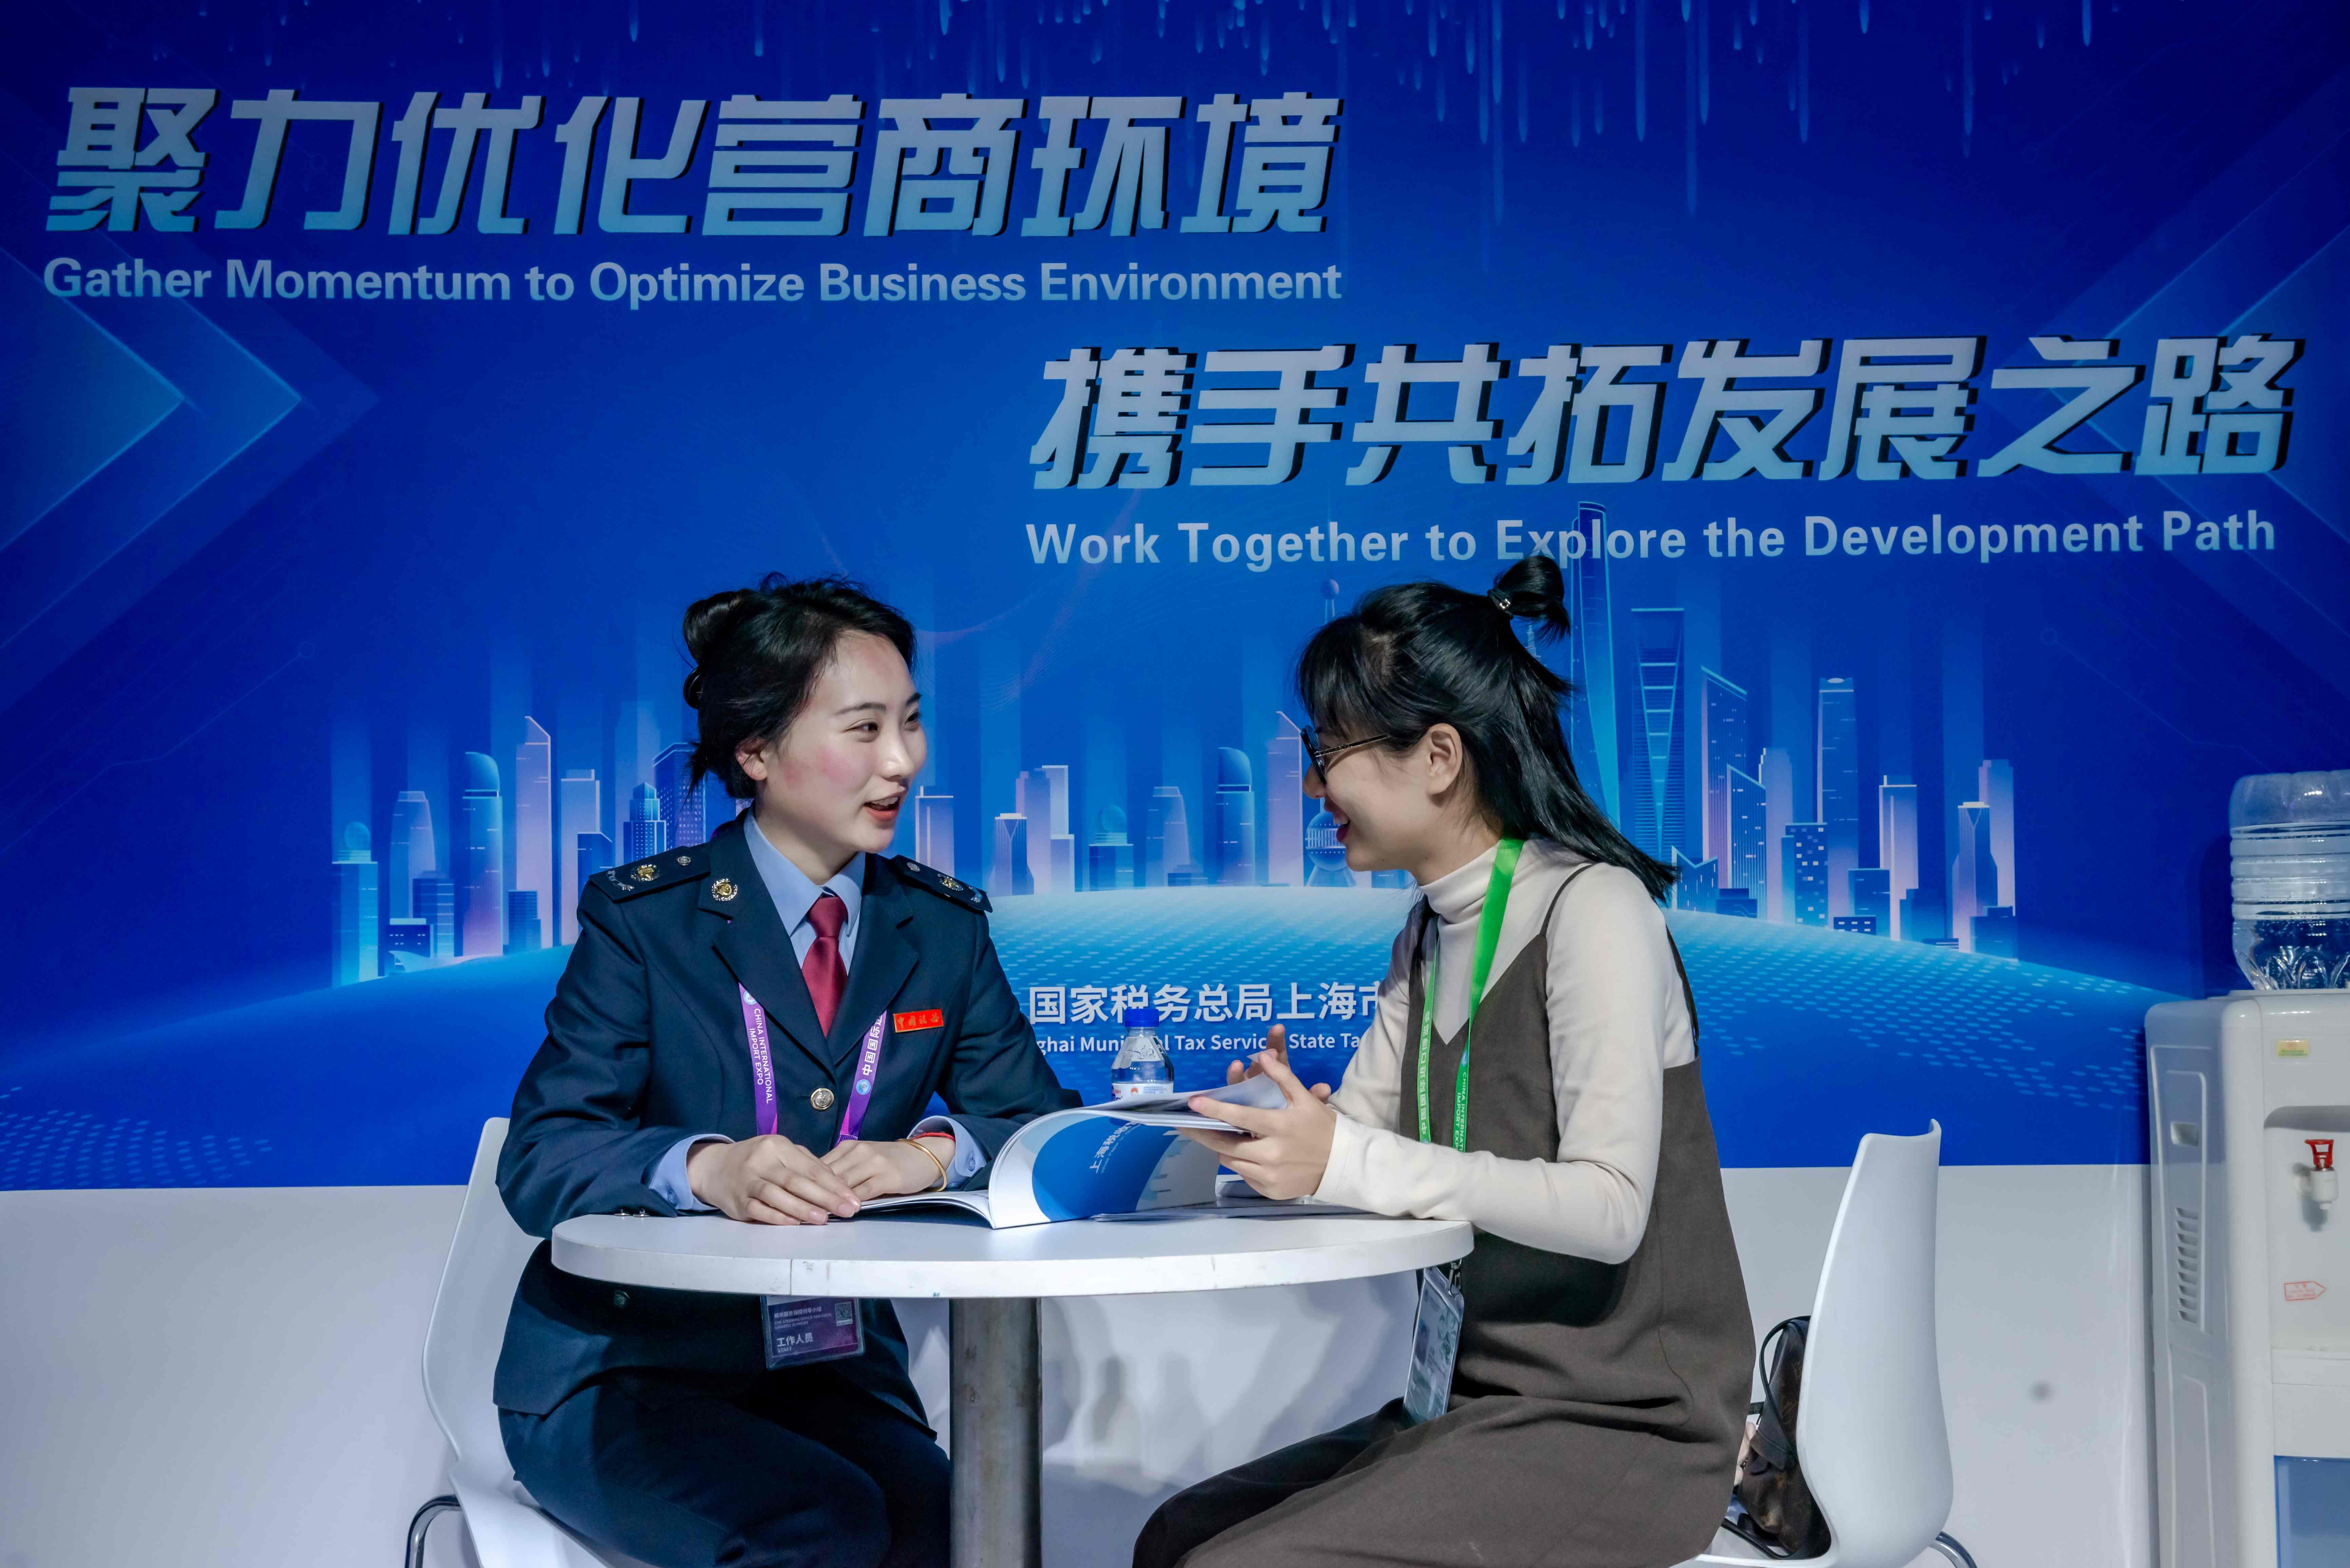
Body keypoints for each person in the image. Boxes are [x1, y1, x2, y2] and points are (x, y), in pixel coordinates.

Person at [1133, 556, 1754, 1568]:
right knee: (1179, 1538)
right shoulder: (1426, 933)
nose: (1313, 784)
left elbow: (1609, 1208)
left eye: (1328, 752)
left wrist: (1344, 1157)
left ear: (1437, 757)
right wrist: (1278, 1130)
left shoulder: (1593, 910)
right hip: (1477, 1406)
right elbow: (1360, 1141)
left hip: (1626, 1421)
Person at [494, 574, 1077, 1568]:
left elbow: (1046, 1130)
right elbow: (544, 1156)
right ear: (756, 752)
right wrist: (705, 1167)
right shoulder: (646, 923)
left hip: (830, 1371)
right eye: (864, 729)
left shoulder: (939, 928)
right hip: (627, 1373)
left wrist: (935, 1156)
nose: (902, 761)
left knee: (959, 1528)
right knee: (817, 1527)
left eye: (912, 723)